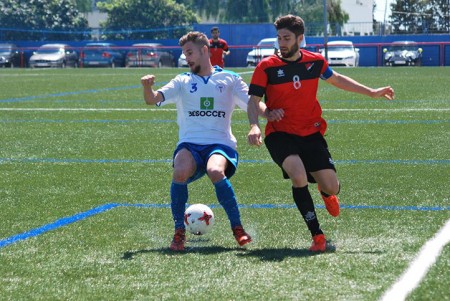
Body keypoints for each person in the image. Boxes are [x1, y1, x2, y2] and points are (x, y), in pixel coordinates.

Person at [247, 15, 395, 252]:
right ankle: (317, 235)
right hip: (280, 133)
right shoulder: (266, 66)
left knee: (332, 186)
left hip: (311, 132)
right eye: (279, 38)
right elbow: (254, 100)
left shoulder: (315, 62)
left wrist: (372, 92)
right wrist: (256, 123)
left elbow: (337, 79)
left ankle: (326, 192)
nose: (282, 43)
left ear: (300, 38)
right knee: (298, 176)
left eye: (287, 38)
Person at [141, 31, 266, 251]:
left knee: (215, 171)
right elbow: (152, 99)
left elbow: (253, 103)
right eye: (184, 53)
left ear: (204, 50)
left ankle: (237, 228)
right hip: (189, 144)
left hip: (220, 144)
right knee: (179, 171)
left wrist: (263, 119)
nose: (186, 58)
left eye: (189, 52)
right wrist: (146, 87)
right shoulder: (182, 81)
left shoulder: (230, 78)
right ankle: (179, 232)